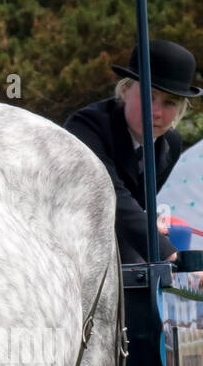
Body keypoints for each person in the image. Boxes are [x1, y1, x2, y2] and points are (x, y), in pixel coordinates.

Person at [64, 39, 201, 262]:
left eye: (170, 103)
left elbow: (138, 205)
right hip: (67, 244)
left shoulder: (171, 143)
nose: (156, 112)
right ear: (125, 90)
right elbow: (111, 196)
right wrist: (172, 255)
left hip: (118, 244)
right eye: (149, 96)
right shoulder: (86, 126)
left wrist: (149, 221)